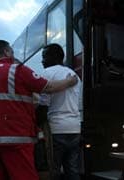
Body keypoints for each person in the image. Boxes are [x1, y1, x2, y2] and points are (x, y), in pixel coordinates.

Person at [0, 40, 78, 180]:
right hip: (15, 140)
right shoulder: (16, 70)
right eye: (11, 50)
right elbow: (49, 88)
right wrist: (70, 81)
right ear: (6, 52)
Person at [39, 43, 82, 180]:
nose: (42, 60)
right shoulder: (74, 75)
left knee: (54, 170)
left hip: (55, 129)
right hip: (75, 128)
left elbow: (43, 106)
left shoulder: (46, 74)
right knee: (72, 170)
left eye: (44, 57)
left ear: (55, 57)